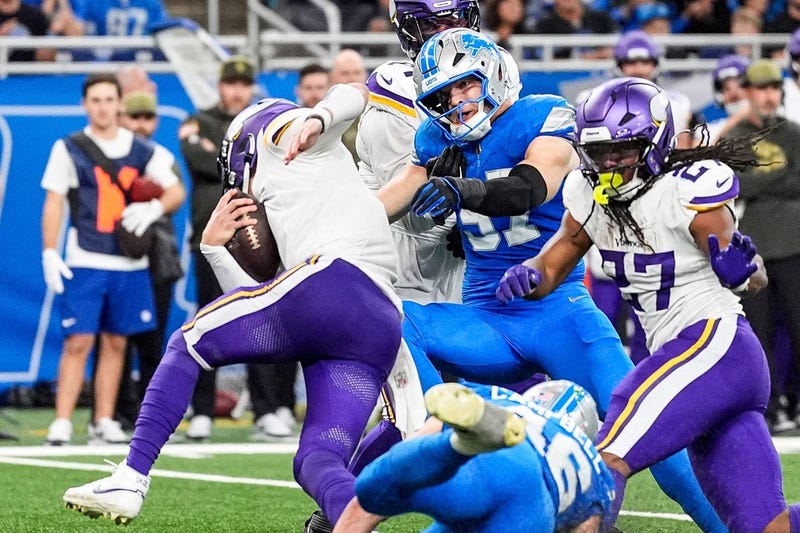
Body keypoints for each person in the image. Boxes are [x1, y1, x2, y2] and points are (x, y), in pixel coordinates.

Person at [382, 28, 726, 533]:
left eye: (464, 87)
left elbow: (530, 185)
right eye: (442, 97)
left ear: (492, 74)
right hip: (487, 317)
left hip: (557, 312)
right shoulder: (434, 140)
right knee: (389, 316)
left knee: (654, 442)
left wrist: (462, 189)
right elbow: (387, 201)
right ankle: (435, 438)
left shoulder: (541, 114)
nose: (455, 104)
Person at [63, 86, 402, 526]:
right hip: (376, 320)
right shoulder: (305, 196)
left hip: (333, 282)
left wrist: (318, 117)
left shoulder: (277, 136)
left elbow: (354, 92)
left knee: (189, 342)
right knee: (316, 459)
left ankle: (131, 476)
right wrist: (215, 248)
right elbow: (262, 311)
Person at [495, 75, 800, 532]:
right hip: (701, 365)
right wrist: (529, 275)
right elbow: (553, 266)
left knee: (604, 458)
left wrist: (744, 269)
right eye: (599, 152)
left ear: (654, 141)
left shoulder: (684, 189)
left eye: (622, 150)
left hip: (714, 345)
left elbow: (749, 270)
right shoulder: (587, 194)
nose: (609, 163)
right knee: (767, 529)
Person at [41, 73, 184, 446]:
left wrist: (154, 208)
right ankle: (62, 420)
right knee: (78, 341)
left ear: (119, 104)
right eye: (96, 100)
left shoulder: (140, 148)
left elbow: (176, 189)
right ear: (84, 104)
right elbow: (54, 200)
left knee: (117, 342)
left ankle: (103, 419)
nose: (103, 107)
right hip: (86, 256)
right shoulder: (69, 147)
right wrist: (49, 251)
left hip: (129, 261)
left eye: (109, 99)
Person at [334, 380, 614, 533]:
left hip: (485, 459)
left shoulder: (504, 398)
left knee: (372, 494)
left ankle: (457, 446)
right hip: (533, 494)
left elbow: (428, 431)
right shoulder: (594, 464)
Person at [178, 55, 257, 441]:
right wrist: (243, 159)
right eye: (231, 83)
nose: (237, 90)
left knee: (266, 318)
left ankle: (269, 408)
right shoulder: (200, 120)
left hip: (258, 238)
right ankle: (203, 410)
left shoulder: (263, 119)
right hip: (211, 238)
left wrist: (223, 156)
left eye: (244, 83)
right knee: (207, 319)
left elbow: (221, 162)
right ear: (221, 86)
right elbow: (202, 158)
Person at [721, 59, 800, 435]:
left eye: (774, 88)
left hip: (794, 245)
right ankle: (766, 409)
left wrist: (759, 180)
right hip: (753, 248)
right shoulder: (731, 136)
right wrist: (780, 178)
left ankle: (794, 405)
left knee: (798, 331)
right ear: (747, 92)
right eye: (761, 88)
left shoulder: (793, 133)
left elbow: (789, 182)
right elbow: (732, 184)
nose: (768, 95)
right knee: (758, 333)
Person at [113, 90, 185, 429]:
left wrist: (153, 204)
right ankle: (117, 409)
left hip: (156, 253)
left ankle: (147, 412)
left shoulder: (161, 156)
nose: (141, 125)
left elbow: (176, 196)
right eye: (134, 117)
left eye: (147, 118)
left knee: (153, 341)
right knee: (117, 339)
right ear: (122, 118)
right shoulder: (114, 154)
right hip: (118, 253)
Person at [328, 48, 367, 162]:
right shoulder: (325, 111)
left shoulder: (376, 110)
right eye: (345, 73)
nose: (352, 78)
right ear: (332, 77)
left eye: (357, 73)